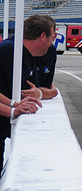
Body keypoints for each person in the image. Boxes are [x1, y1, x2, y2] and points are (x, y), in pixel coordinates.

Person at [0, 15, 56, 158]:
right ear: (42, 36)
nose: (52, 42)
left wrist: (14, 104)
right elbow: (28, 93)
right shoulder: (11, 51)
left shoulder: (24, 52)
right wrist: (12, 110)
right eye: (52, 38)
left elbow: (35, 90)